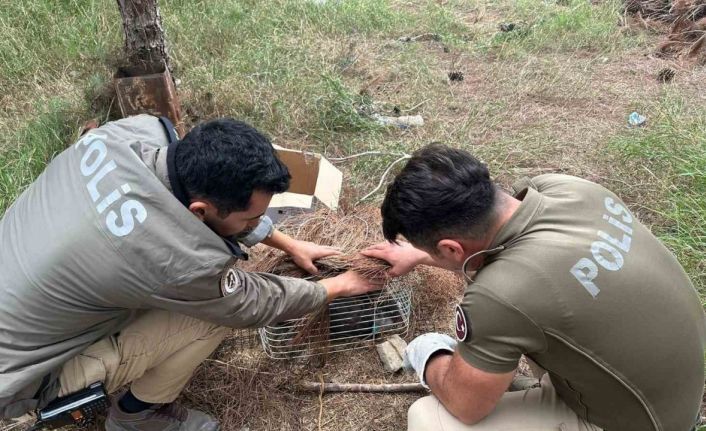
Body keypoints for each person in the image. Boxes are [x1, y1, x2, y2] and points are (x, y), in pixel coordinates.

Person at [0, 115, 379, 431]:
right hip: (22, 383)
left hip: (33, 300)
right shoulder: (174, 259)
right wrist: (335, 286)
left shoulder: (125, 134)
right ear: (199, 211)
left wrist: (289, 244)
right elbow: (250, 303)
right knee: (210, 320)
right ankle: (137, 416)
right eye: (251, 218)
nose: (259, 222)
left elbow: (203, 203)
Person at [363, 144, 705, 431]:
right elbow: (502, 249)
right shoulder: (567, 188)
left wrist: (430, 355)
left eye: (431, 250)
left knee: (427, 418)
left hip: (641, 423)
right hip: (677, 385)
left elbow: (467, 406)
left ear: (452, 248)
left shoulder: (501, 296)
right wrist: (420, 256)